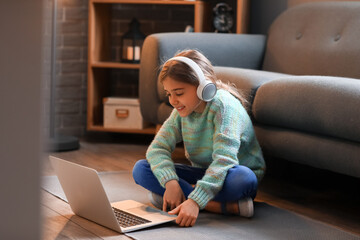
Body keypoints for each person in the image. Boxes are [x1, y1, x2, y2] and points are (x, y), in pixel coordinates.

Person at [132, 49, 265, 227]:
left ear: (204, 87)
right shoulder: (181, 111)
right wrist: (171, 183)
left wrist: (195, 202)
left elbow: (224, 161)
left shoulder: (224, 107)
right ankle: (225, 207)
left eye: (179, 93)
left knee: (243, 179)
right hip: (205, 175)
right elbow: (157, 148)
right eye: (168, 94)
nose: (173, 101)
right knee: (141, 169)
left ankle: (188, 200)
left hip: (231, 173)